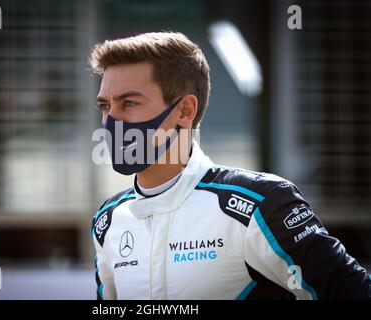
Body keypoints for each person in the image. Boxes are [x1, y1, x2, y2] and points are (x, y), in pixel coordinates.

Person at [88, 32, 370, 300]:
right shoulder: (108, 220)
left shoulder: (259, 204)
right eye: (105, 106)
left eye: (129, 103)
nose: (111, 120)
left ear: (185, 110)